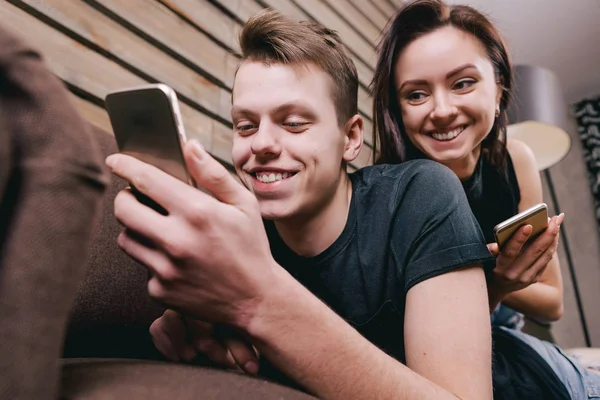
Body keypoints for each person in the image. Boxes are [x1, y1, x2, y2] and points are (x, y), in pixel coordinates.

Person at [108, 9, 497, 400]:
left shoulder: (422, 194)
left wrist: (256, 299)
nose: (261, 143)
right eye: (245, 125)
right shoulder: (236, 236)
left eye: (293, 122)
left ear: (350, 138)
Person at [370, 0, 600, 398]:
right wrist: (496, 282)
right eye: (417, 94)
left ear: (498, 91)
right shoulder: (385, 195)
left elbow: (552, 303)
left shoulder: (516, 160)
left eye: (462, 83)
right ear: (397, 112)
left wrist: (498, 286)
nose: (442, 111)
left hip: (508, 332)